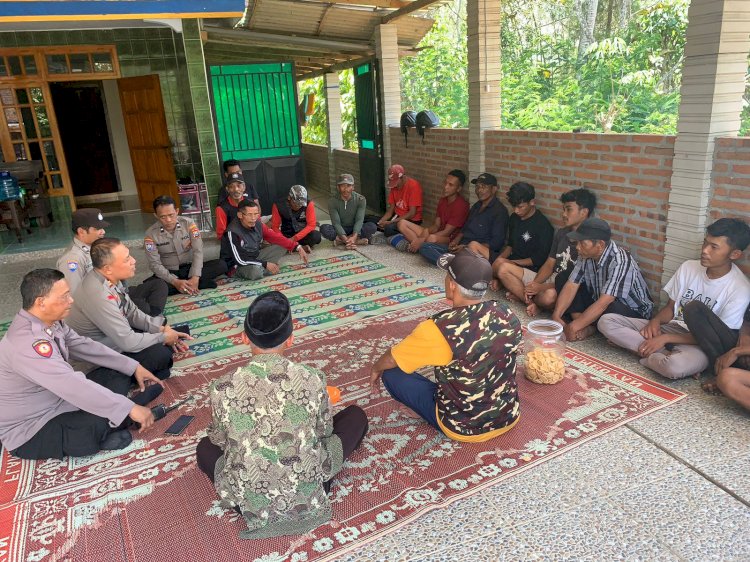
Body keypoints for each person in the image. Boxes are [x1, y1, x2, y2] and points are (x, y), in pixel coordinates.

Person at [196, 291, 368, 539]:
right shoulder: (311, 378)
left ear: (244, 337)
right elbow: (323, 432)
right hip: (306, 490)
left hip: (249, 501)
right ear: (291, 338)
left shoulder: (221, 386)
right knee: (355, 416)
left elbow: (220, 440)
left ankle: (257, 499)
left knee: (204, 447)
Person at [0, 269, 161, 459]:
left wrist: (133, 366)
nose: (71, 301)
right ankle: (127, 413)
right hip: (33, 425)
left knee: (114, 374)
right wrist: (127, 408)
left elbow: (84, 346)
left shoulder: (51, 321)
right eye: (65, 296)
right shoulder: (28, 343)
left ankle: (121, 415)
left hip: (60, 400)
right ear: (40, 302)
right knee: (93, 423)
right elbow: (70, 384)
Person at [370, 248, 522, 442]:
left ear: (451, 285)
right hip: (508, 416)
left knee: (391, 372)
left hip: (462, 427)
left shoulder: (438, 328)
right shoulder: (505, 312)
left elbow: (392, 357)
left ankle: (427, 412)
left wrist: (376, 367)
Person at [598, 219, 750, 380]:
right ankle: (662, 353)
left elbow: (717, 338)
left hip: (698, 343)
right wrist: (655, 322)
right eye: (705, 243)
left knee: (674, 368)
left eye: (714, 247)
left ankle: (647, 354)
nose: (705, 250)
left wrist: (665, 338)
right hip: (671, 327)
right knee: (606, 321)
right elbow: (671, 307)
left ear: (735, 254)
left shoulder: (740, 289)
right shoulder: (689, 267)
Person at [66, 238, 191, 381]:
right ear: (108, 268)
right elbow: (127, 342)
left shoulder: (108, 278)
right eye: (126, 260)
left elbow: (131, 312)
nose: (134, 261)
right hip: (98, 357)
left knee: (166, 335)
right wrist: (163, 337)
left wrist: (161, 329)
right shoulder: (97, 293)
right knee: (161, 354)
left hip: (115, 338)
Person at [552, 218, 653, 342]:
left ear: (600, 245)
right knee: (563, 277)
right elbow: (572, 284)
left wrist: (573, 327)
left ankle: (588, 327)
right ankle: (587, 325)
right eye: (577, 242)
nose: (577, 247)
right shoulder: (585, 255)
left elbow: (605, 302)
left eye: (582, 243)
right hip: (599, 300)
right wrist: (556, 315)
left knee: (610, 306)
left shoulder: (620, 261)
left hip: (631, 312)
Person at [59, 208, 168, 316]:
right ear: (81, 231)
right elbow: (75, 296)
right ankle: (150, 317)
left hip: (120, 293)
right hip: (104, 304)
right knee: (141, 307)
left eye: (102, 228)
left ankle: (151, 315)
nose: (103, 232)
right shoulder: (72, 259)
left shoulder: (100, 246)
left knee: (159, 285)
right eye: (98, 228)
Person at [523, 188, 597, 316]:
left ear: (584, 212)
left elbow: (575, 282)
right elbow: (549, 263)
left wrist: (540, 288)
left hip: (567, 286)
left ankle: (537, 303)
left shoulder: (590, 242)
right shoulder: (562, 233)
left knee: (549, 297)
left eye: (568, 209)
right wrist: (535, 284)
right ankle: (535, 302)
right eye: (563, 209)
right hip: (552, 278)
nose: (563, 214)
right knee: (503, 268)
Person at [419, 172, 509, 266]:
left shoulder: (500, 211)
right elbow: (465, 228)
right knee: (425, 247)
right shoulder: (476, 206)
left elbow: (496, 243)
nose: (479, 190)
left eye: (484, 187)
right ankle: (454, 263)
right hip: (461, 247)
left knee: (469, 251)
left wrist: (466, 247)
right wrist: (455, 241)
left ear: (494, 189)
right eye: (477, 187)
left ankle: (453, 263)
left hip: (476, 252)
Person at [145, 195, 228, 296]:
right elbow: (154, 264)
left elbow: (198, 250)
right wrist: (174, 281)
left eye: (171, 215)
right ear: (156, 216)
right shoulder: (150, 234)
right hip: (169, 272)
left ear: (177, 211)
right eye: (163, 217)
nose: (168, 220)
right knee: (150, 286)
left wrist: (195, 276)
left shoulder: (189, 224)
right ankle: (194, 284)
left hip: (190, 268)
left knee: (222, 265)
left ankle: (190, 284)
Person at [220, 200, 309, 280]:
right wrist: (265, 264)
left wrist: (297, 246)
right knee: (256, 272)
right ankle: (264, 268)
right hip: (237, 265)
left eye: (256, 214)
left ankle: (264, 267)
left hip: (255, 256)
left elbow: (275, 237)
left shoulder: (258, 224)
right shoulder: (232, 232)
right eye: (250, 214)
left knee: (283, 245)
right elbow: (239, 260)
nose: (253, 218)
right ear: (240, 215)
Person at [492, 182, 554, 295]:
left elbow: (538, 259)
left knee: (500, 266)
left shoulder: (543, 225)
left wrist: (510, 262)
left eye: (520, 207)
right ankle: (503, 280)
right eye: (514, 206)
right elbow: (510, 246)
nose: (516, 210)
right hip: (512, 263)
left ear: (532, 202)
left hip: (530, 269)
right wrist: (498, 262)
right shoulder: (514, 218)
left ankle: (526, 299)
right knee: (495, 264)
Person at [390, 169, 470, 253]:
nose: (446, 187)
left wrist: (424, 238)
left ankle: (415, 246)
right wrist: (426, 231)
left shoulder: (461, 205)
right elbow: (436, 225)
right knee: (402, 223)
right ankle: (417, 245)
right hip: (437, 233)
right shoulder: (443, 200)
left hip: (448, 239)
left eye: (451, 185)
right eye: (445, 183)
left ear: (458, 188)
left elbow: (447, 232)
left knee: (431, 238)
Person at [320, 174, 378, 249]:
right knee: (324, 228)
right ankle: (356, 241)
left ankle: (341, 241)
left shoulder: (361, 199)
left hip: (355, 228)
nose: (346, 189)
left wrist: (354, 236)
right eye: (342, 186)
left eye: (348, 186)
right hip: (340, 228)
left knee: (372, 226)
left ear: (353, 187)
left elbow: (359, 220)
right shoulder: (332, 201)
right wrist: (347, 239)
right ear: (338, 187)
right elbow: (336, 223)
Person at [376, 164, 423, 238]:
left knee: (389, 229)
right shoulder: (394, 186)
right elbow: (390, 210)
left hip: (411, 219)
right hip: (397, 216)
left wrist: (390, 222)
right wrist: (381, 222)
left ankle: (406, 236)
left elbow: (412, 213)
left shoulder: (413, 186)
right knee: (373, 221)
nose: (395, 186)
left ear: (403, 177)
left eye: (396, 182)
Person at [270, 185, 321, 252]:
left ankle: (294, 247)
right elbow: (275, 227)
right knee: (272, 239)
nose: (299, 206)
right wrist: (284, 240)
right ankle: (298, 247)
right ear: (289, 198)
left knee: (316, 236)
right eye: (296, 203)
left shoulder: (309, 204)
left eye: (301, 204)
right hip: (286, 235)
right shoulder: (278, 205)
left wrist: (294, 238)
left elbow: (311, 225)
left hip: (302, 234)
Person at [216, 172, 259, 239]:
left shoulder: (251, 203)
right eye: (231, 187)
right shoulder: (222, 208)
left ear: (244, 187)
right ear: (227, 189)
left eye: (239, 185)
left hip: (251, 240)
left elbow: (258, 225)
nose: (236, 189)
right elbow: (221, 235)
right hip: (233, 242)